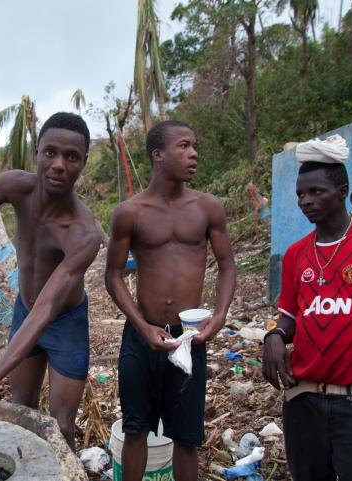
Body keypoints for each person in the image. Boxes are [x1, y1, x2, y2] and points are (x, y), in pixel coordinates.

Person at [0, 112, 101, 450]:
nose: (58, 165)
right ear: (36, 151)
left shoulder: (84, 233)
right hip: (26, 310)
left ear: (83, 163)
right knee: (22, 411)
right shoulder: (16, 186)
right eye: (50, 152)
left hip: (63, 322)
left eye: (71, 157)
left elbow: (49, 307)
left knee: (62, 426)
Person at [262, 135, 352, 481]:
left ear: (343, 192)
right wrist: (275, 336)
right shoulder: (296, 254)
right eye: (300, 194)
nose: (305, 201)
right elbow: (290, 318)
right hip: (303, 401)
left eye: (316, 192)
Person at [105, 120, 236, 481]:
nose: (193, 153)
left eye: (194, 146)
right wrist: (141, 325)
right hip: (141, 336)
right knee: (135, 429)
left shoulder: (208, 207)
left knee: (186, 436)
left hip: (189, 336)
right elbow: (113, 277)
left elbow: (227, 266)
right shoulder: (130, 212)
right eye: (184, 146)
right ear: (158, 155)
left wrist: (220, 315)